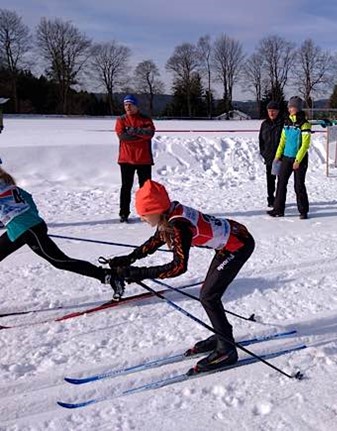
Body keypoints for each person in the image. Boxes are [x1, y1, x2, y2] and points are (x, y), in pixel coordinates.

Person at [109, 180, 255, 372]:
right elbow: (156, 240)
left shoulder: (178, 225)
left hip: (238, 246)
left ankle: (227, 350)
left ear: (155, 210)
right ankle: (222, 336)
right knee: (209, 295)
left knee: (208, 296)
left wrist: (140, 273)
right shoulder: (169, 214)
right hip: (231, 241)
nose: (142, 219)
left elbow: (178, 267)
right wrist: (128, 259)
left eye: (144, 215)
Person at [0, 160, 125, 300]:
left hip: (27, 230)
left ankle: (110, 277)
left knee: (59, 261)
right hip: (24, 228)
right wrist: (31, 218)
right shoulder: (6, 183)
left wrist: (25, 221)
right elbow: (28, 199)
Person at [267, 96, 312, 219]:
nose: (290, 109)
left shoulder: (304, 124)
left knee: (299, 185)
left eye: (292, 107)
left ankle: (303, 211)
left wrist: (298, 160)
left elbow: (305, 144)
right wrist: (277, 156)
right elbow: (283, 140)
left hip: (299, 159)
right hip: (286, 157)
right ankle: (278, 209)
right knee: (281, 183)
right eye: (289, 107)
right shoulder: (287, 122)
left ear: (298, 108)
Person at [115, 94, 156, 223]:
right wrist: (139, 133)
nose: (127, 107)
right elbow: (123, 136)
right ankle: (124, 213)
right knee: (126, 187)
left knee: (145, 188)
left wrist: (132, 130)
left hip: (143, 159)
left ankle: (147, 212)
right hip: (126, 160)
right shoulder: (121, 120)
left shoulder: (145, 119)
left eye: (130, 104)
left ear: (136, 106)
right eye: (125, 105)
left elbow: (149, 133)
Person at [259, 100, 284, 207]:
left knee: (281, 181)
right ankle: (270, 198)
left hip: (281, 157)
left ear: (278, 111)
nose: (271, 113)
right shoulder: (264, 124)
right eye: (269, 111)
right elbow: (261, 140)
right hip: (269, 157)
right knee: (270, 180)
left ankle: (279, 200)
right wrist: (263, 153)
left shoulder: (283, 123)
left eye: (273, 111)